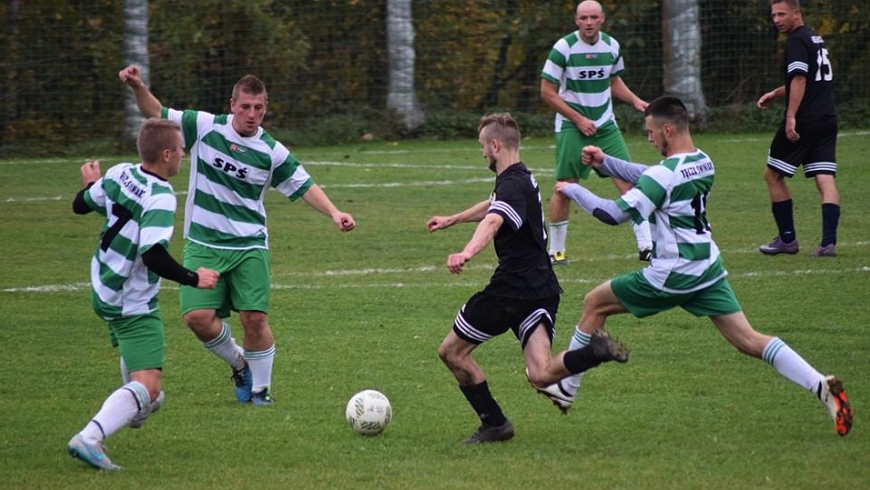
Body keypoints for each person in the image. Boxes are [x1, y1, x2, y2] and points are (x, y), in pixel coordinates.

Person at [534, 96, 852, 436]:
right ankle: (820, 384)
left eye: (651, 132)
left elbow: (613, 214)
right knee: (748, 340)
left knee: (594, 303)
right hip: (707, 266)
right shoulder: (703, 161)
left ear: (667, 129)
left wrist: (572, 190)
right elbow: (650, 175)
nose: (649, 138)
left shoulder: (664, 174)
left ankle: (568, 386)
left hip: (673, 272)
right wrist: (607, 162)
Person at [119, 65, 356, 406]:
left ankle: (261, 391)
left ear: (265, 109)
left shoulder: (271, 150)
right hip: (203, 242)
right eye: (245, 106)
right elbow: (156, 113)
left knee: (254, 318)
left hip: (249, 245)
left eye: (259, 108)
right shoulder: (204, 127)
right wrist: (137, 86)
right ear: (232, 104)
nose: (252, 114)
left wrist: (335, 212)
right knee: (196, 318)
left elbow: (304, 184)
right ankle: (240, 364)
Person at [427, 113, 629, 444]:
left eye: (482, 147)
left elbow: (493, 221)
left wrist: (466, 253)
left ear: (495, 145)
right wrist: (453, 219)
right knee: (540, 373)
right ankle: (596, 352)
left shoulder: (511, 183)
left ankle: (494, 423)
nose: (482, 154)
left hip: (511, 289)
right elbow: (492, 206)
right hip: (541, 287)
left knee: (452, 352)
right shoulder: (522, 178)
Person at [68, 119, 220, 470]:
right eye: (180, 149)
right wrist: (193, 277)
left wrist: (92, 184)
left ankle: (135, 404)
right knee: (150, 388)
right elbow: (153, 254)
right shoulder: (161, 195)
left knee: (145, 388)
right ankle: (90, 438)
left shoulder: (122, 173)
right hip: (130, 299)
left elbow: (80, 204)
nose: (183, 154)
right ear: (166, 154)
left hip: (103, 285)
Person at [541, 0, 651, 265]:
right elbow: (546, 92)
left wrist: (635, 100)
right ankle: (556, 253)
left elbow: (613, 81)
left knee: (630, 183)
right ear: (576, 21)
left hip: (606, 125)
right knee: (565, 187)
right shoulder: (563, 48)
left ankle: (647, 246)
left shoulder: (612, 46)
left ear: (602, 19)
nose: (588, 22)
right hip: (572, 126)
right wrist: (578, 119)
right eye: (583, 18)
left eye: (593, 17)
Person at [756, 0, 840, 257]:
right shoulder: (814, 38)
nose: (777, 19)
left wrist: (791, 116)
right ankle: (828, 243)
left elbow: (801, 78)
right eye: (773, 15)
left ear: (797, 13)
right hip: (828, 119)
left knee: (772, 175)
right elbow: (811, 80)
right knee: (824, 178)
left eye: (782, 14)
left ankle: (787, 239)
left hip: (805, 120)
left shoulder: (795, 41)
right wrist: (776, 93)